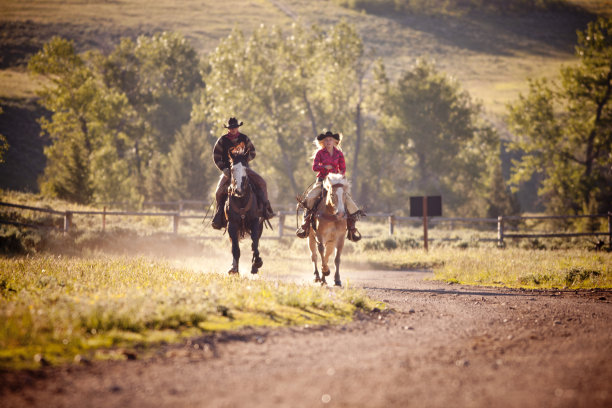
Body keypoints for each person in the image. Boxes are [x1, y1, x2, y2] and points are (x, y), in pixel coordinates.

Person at [296, 130, 363, 241]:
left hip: (335, 182)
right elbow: (315, 167)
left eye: (330, 140)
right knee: (310, 197)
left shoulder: (339, 154)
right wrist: (324, 167)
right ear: (323, 142)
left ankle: (351, 228)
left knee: (348, 201)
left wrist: (341, 177)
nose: (328, 142)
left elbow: (343, 168)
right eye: (326, 140)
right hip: (322, 180)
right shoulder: (320, 153)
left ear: (334, 142)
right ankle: (306, 224)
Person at [211, 117, 274, 230]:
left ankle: (265, 209)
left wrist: (243, 162)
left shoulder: (244, 138)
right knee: (218, 191)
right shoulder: (222, 140)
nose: (233, 129)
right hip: (228, 170)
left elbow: (253, 152)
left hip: (244, 169)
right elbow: (216, 157)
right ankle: (219, 214)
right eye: (231, 128)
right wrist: (224, 169)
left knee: (262, 182)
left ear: (238, 127)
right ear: (228, 129)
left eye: (235, 127)